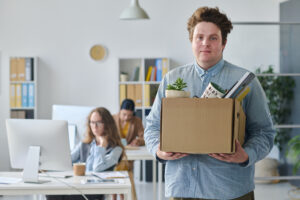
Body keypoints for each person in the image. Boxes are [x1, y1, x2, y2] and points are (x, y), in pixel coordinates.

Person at [144, 7, 275, 200]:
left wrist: (246, 155)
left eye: (213, 38)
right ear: (191, 41)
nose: (205, 43)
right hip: (181, 190)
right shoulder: (171, 79)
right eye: (199, 37)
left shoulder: (246, 81)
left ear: (224, 43)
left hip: (230, 191)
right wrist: (158, 149)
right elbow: (152, 126)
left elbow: (264, 132)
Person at [47, 107, 125, 200]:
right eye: (92, 122)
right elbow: (67, 160)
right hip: (79, 186)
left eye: (99, 122)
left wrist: (101, 147)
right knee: (51, 192)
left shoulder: (116, 149)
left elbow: (97, 168)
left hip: (96, 191)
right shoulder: (84, 144)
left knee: (56, 195)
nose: (95, 126)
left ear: (108, 124)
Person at [112, 99, 145, 200]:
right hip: (114, 154)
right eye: (124, 114)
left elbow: (144, 137)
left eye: (130, 115)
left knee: (123, 173)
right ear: (120, 111)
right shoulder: (112, 118)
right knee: (117, 172)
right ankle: (120, 197)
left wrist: (138, 141)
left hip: (128, 156)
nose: (126, 118)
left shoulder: (136, 121)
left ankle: (120, 197)